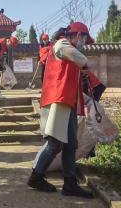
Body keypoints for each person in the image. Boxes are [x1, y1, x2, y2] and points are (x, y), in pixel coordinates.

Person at [28, 22, 95, 198]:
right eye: (83, 38)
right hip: (59, 101)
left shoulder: (69, 50)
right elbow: (80, 59)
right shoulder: (61, 44)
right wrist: (86, 67)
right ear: (76, 35)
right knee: (55, 143)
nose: (83, 43)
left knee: (71, 144)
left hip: (68, 102)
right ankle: (36, 176)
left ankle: (70, 183)